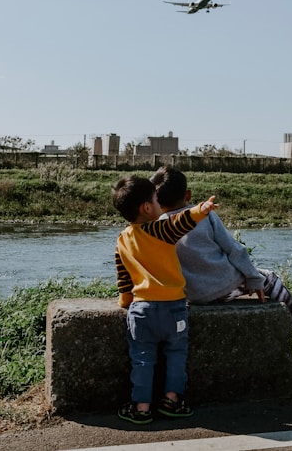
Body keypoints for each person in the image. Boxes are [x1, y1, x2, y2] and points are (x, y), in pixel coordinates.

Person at [151, 166, 292, 353]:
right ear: (187, 195)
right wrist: (254, 278)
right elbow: (235, 250)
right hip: (225, 287)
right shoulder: (205, 216)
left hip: (194, 295)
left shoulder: (157, 228)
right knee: (270, 278)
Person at [112, 175, 218, 425]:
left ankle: (141, 407)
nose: (161, 205)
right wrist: (201, 210)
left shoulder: (122, 240)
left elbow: (124, 280)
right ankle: (172, 400)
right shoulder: (160, 229)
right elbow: (181, 223)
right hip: (174, 309)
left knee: (142, 357)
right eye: (157, 200)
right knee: (177, 353)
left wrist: (125, 301)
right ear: (147, 208)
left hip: (142, 311)